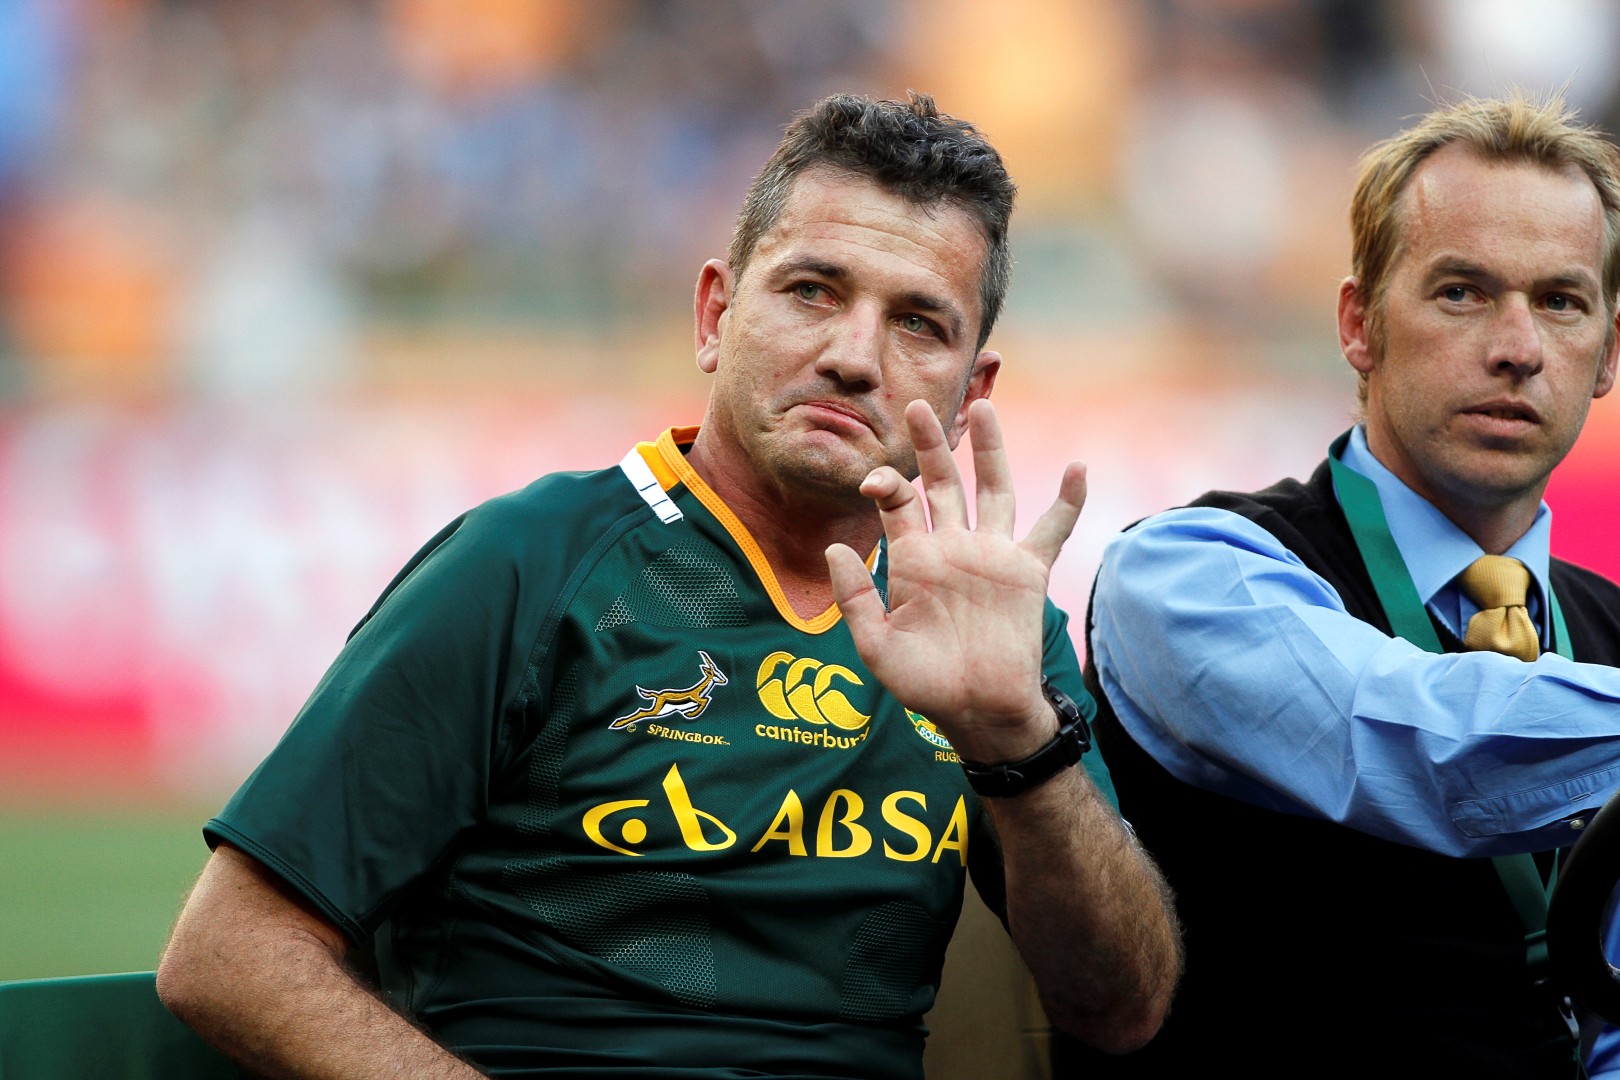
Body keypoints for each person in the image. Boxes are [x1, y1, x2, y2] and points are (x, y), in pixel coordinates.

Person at [155, 92, 1181, 1080]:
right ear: (714, 315)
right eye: (812, 290)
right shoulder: (526, 564)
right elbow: (232, 953)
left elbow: (1120, 1011)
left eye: (920, 323)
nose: (853, 356)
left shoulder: (992, 627)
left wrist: (1018, 750)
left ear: (971, 392)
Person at [1068, 92, 1620, 1079]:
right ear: (1359, 326)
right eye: (1461, 292)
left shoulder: (1609, 632)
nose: (1517, 347)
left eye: (1561, 301)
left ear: (1608, 354)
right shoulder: (1186, 574)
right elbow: (1421, 743)